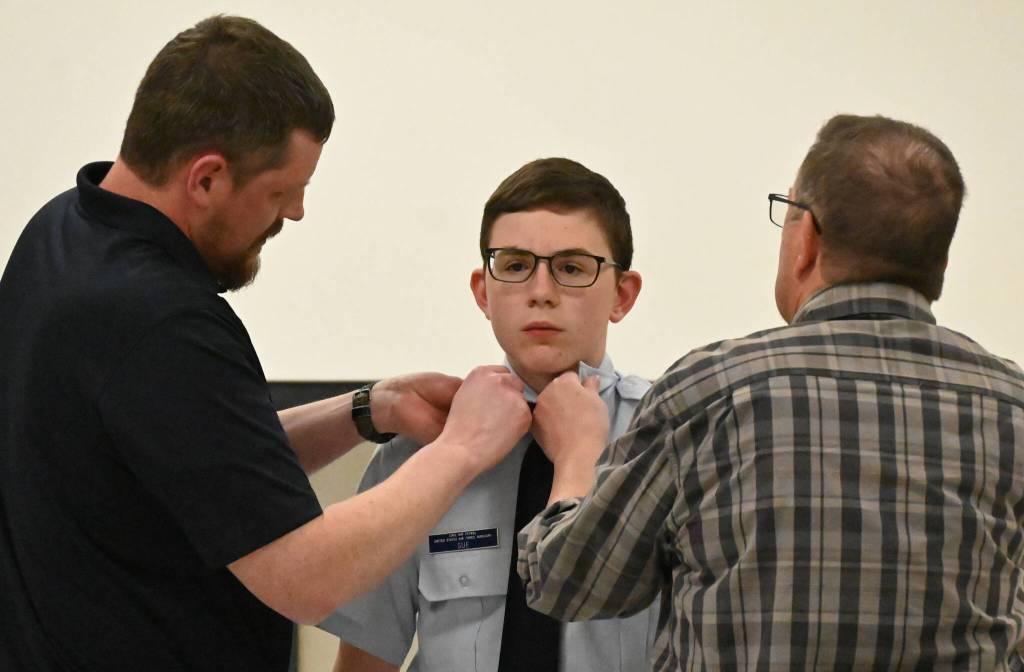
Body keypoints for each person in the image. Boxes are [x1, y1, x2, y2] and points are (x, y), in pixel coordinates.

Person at [0, 16, 531, 672]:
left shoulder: (61, 231)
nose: (295, 214)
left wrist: (368, 410)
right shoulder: (161, 324)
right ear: (206, 179)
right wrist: (463, 447)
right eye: (282, 192)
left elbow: (207, 462)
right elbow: (308, 576)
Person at [518, 114, 1024, 669]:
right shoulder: (1012, 408)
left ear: (805, 238)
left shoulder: (712, 393)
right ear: (941, 262)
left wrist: (574, 459)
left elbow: (570, 584)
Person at [319, 157, 657, 671]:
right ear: (483, 291)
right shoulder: (421, 453)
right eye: (517, 265)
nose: (541, 291)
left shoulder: (665, 441)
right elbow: (367, 660)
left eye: (571, 268)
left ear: (622, 294)